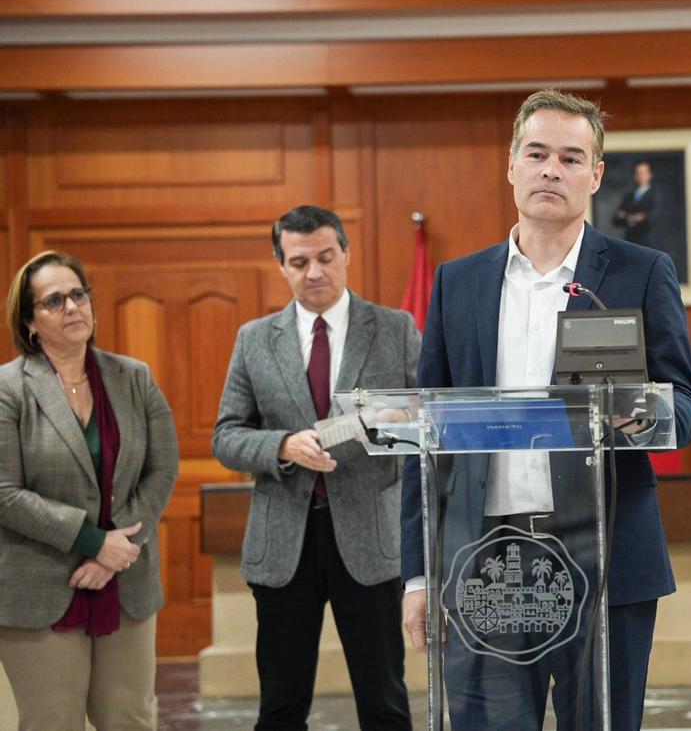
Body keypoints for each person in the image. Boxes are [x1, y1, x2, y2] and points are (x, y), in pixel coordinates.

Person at [400, 89, 691, 730]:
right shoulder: (458, 282)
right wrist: (418, 576)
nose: (551, 170)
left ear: (595, 175)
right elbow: (428, 435)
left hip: (607, 556)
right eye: (536, 154)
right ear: (511, 165)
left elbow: (684, 406)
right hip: (486, 559)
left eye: (571, 157)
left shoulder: (642, 271)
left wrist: (641, 414)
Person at [212, 206, 420, 731]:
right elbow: (226, 437)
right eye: (300, 262)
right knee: (281, 708)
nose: (315, 272)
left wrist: (399, 421)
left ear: (346, 254)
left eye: (326, 257)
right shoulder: (254, 339)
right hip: (285, 541)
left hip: (370, 540)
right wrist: (282, 445)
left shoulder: (394, 329)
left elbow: (429, 418)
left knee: (385, 704)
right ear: (281, 265)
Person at [0, 250, 180, 730]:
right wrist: (93, 541)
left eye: (78, 294)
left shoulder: (134, 377)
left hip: (127, 580)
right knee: (52, 721)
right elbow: (4, 492)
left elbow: (163, 468)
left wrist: (116, 551)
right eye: (54, 300)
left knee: (130, 718)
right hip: (39, 584)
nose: (72, 307)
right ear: (30, 322)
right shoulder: (8, 389)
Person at [612, 159, 662, 247]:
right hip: (630, 241)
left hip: (648, 242)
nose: (640, 176)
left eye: (643, 173)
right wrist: (635, 217)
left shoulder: (655, 195)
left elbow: (651, 218)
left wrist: (628, 217)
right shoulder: (629, 195)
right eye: (637, 173)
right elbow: (616, 219)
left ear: (649, 175)